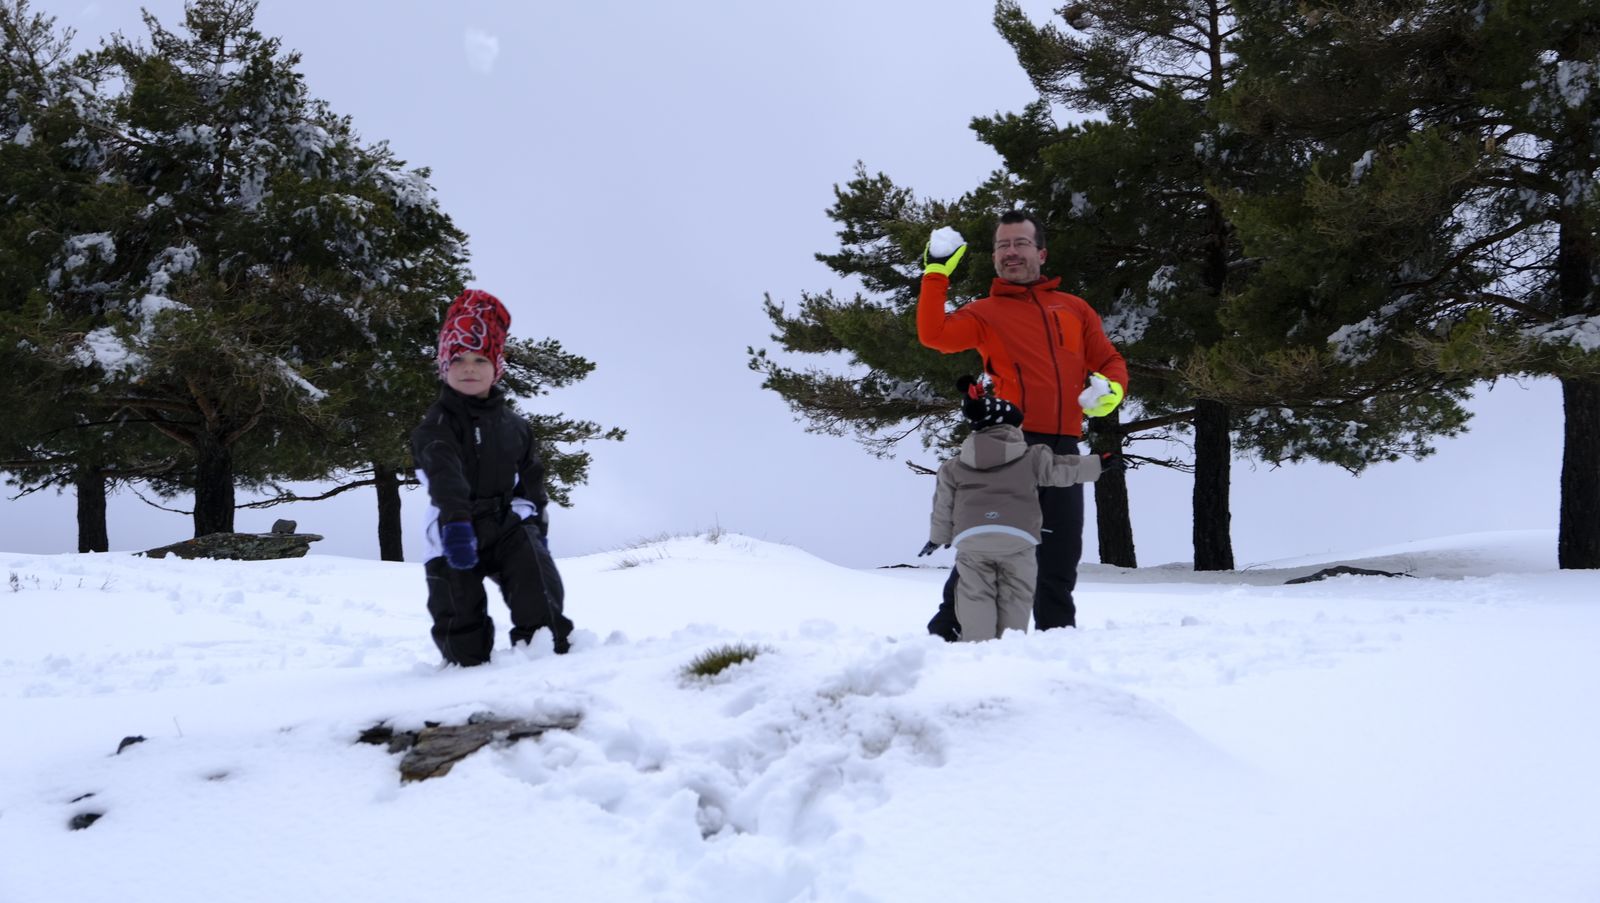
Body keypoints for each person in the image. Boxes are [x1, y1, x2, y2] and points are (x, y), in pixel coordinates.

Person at [918, 210, 1129, 635]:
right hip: (1010, 447)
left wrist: (1111, 390)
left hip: (1064, 444)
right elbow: (934, 334)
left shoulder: (1075, 309)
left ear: (1042, 253)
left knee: (1061, 553)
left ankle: (1056, 637)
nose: (1010, 252)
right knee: (993, 542)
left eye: (1020, 243)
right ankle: (947, 632)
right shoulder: (985, 312)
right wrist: (936, 274)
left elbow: (1108, 360)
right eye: (1002, 246)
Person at [411, 289, 573, 666]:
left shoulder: (514, 426)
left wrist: (537, 527)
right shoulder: (434, 427)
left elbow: (531, 480)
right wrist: (456, 523)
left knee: (537, 583)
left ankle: (546, 654)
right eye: (458, 359)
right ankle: (465, 665)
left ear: (496, 367)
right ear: (444, 366)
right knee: (460, 625)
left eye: (480, 359)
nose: (469, 368)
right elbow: (444, 476)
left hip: (505, 522)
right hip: (452, 524)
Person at [920, 376, 1113, 641]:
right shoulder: (1032, 457)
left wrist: (938, 537)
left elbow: (944, 505)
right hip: (1019, 538)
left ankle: (977, 646)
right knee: (1015, 593)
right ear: (1010, 427)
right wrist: (1099, 464)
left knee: (974, 595)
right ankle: (1009, 644)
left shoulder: (954, 466)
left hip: (973, 540)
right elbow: (1063, 469)